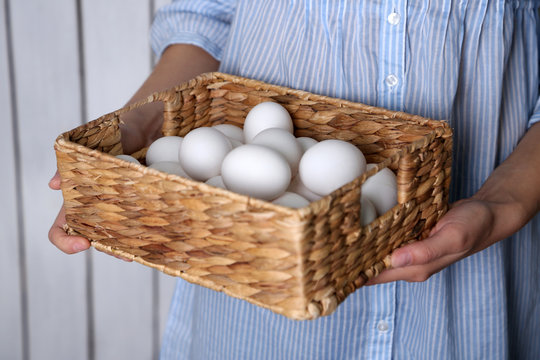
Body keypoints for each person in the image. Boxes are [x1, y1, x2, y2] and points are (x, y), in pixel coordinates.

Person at [49, 1, 540, 359]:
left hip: (479, 227)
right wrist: (138, 130)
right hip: (252, 249)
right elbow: (208, 17)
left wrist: (505, 202)